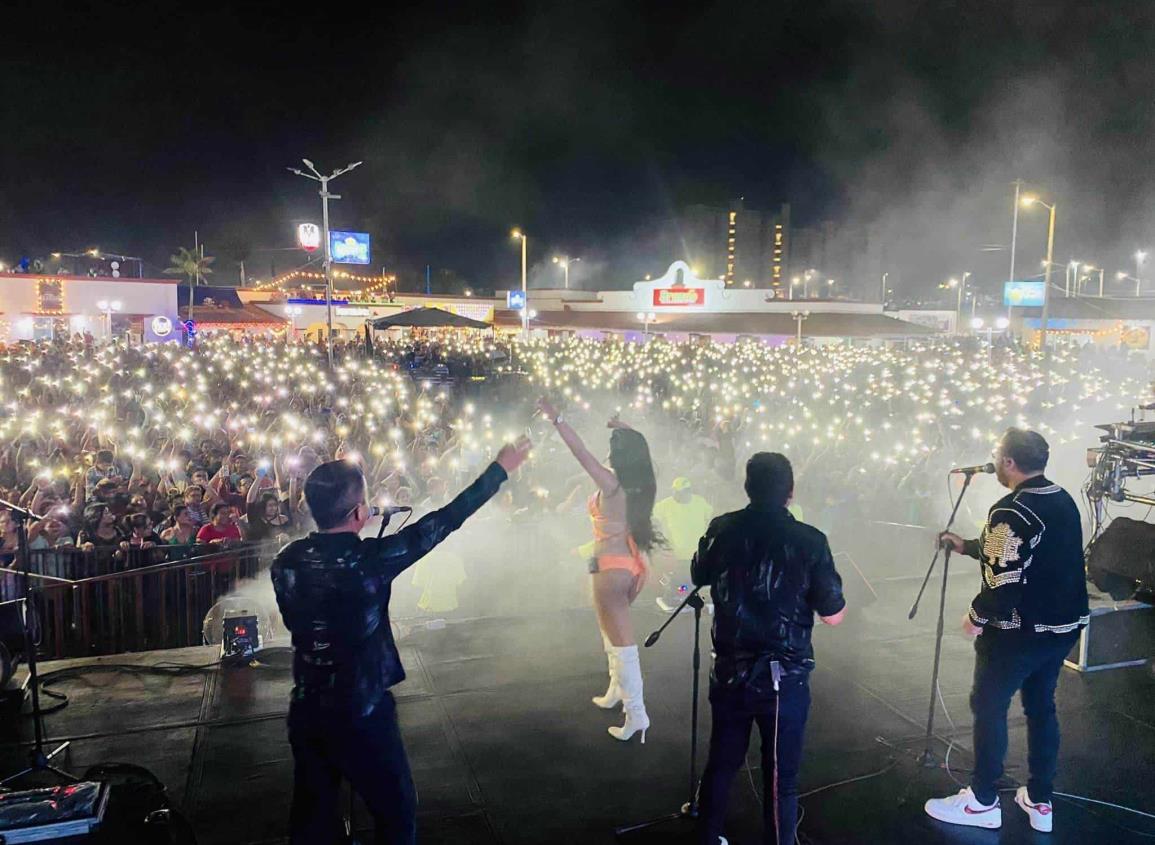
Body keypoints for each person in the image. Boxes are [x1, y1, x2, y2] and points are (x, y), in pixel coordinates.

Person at [270, 436, 531, 845]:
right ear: (359, 511)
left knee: (313, 817)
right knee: (396, 813)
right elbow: (446, 520)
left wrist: (354, 532)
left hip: (306, 708)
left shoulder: (284, 561)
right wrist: (499, 469)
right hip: (362, 709)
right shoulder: (371, 559)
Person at [926, 428, 1089, 833]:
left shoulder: (1010, 511)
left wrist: (976, 616)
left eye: (998, 456)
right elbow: (1021, 549)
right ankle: (1040, 800)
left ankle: (982, 802)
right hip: (1063, 629)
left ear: (1010, 463)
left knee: (989, 707)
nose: (995, 462)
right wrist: (965, 545)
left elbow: (1005, 579)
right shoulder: (1061, 498)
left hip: (1019, 633)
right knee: (1041, 708)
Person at [692, 452, 846, 845]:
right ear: (790, 492)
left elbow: (699, 574)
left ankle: (707, 837)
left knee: (721, 763)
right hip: (784, 679)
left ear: (747, 487)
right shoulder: (810, 541)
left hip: (729, 670)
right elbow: (834, 615)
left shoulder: (722, 529)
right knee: (782, 778)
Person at [536, 398, 659, 743]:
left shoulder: (612, 484)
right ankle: (616, 690)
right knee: (610, 634)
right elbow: (636, 446)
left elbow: (580, 453)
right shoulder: (639, 484)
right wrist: (621, 426)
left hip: (611, 570)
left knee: (623, 645)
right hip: (621, 565)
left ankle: (637, 714)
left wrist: (557, 419)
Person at [653, 477, 714, 612]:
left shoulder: (700, 502)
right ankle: (676, 595)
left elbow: (710, 517)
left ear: (689, 491)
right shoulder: (665, 505)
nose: (680, 495)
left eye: (684, 491)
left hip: (697, 551)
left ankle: (688, 595)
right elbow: (653, 520)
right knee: (679, 579)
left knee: (693, 579)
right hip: (677, 552)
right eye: (677, 492)